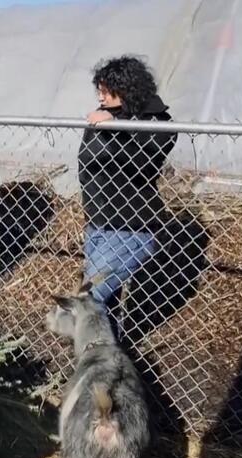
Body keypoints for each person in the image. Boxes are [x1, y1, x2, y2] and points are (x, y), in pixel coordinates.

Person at [77, 55, 177, 331]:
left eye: (106, 90)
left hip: (130, 227)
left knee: (90, 297)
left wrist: (114, 125)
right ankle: (109, 363)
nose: (100, 95)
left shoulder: (156, 121)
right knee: (103, 304)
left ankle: (100, 361)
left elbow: (142, 162)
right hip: (98, 223)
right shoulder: (107, 117)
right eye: (99, 89)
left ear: (126, 89)